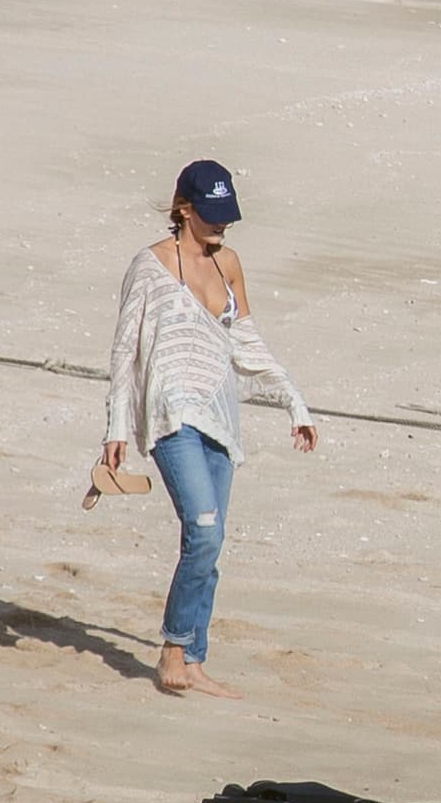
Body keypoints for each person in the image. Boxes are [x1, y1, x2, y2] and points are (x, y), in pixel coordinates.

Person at [101, 159, 318, 699]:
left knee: (209, 544)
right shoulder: (149, 267)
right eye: (212, 215)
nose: (222, 226)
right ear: (184, 209)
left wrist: (295, 401)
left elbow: (245, 340)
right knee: (204, 530)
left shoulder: (229, 265)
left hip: (221, 417)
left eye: (228, 216)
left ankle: (194, 660)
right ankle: (173, 648)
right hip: (173, 415)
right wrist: (116, 427)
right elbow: (125, 351)